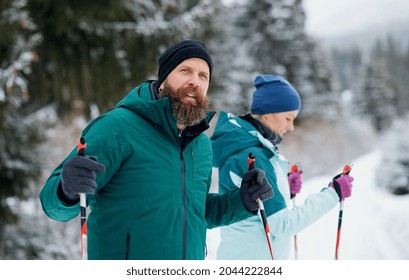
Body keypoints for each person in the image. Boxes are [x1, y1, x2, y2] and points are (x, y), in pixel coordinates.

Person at [39, 40, 273, 260]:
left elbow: (195, 211)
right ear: (163, 80)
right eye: (185, 71)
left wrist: (242, 201)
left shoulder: (200, 145)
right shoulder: (118, 127)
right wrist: (66, 190)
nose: (195, 81)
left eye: (204, 76)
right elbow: (54, 206)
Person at [210, 74, 354, 260]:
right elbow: (282, 225)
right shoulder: (253, 154)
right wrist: (333, 193)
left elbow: (254, 199)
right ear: (268, 112)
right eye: (288, 118)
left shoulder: (247, 146)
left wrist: (282, 184)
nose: (291, 127)